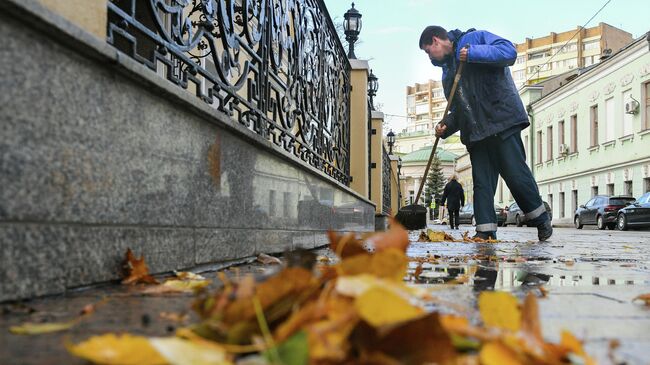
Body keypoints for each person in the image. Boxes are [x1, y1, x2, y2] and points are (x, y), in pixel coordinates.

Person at [419, 26, 552, 241]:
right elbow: (459, 110)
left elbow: (509, 52)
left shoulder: (474, 39)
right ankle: (485, 231)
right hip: (476, 134)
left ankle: (540, 219)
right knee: (481, 183)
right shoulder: (447, 74)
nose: (429, 57)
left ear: (436, 41)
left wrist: (473, 54)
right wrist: (446, 126)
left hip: (501, 121)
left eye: (428, 51)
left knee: (515, 175)